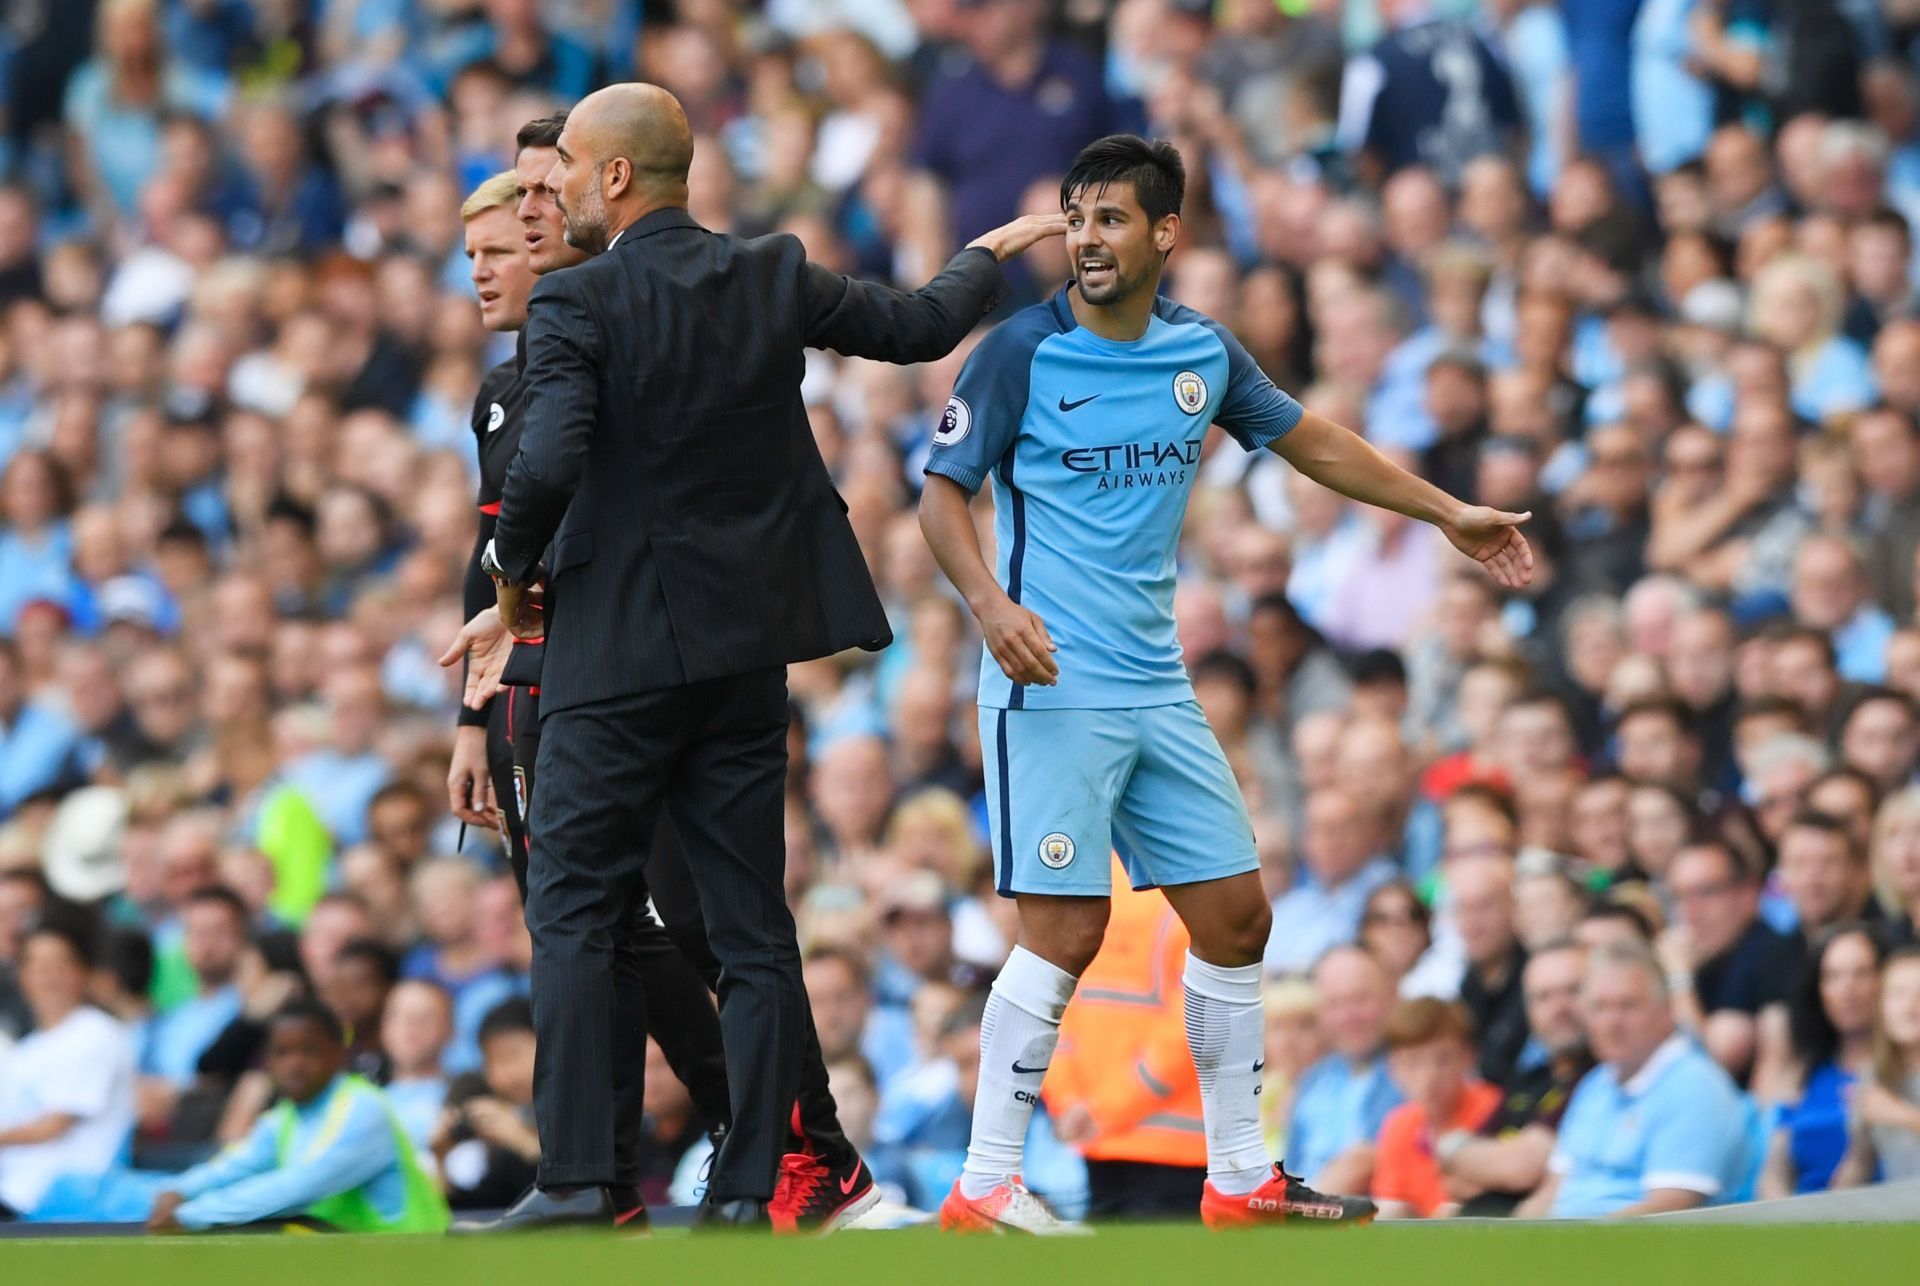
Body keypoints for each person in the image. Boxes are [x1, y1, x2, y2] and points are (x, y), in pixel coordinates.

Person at [456, 83, 1061, 1230]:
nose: (558, 191)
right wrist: (983, 257)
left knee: (577, 907)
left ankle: (581, 1177)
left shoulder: (577, 301)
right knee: (751, 925)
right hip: (743, 661)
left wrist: (509, 579)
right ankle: (749, 1189)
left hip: (613, 657)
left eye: (569, 170)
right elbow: (921, 326)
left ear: (619, 177)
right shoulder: (770, 272)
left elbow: (544, 467)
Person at [921, 134, 1530, 1232]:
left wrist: (1449, 512)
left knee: (1240, 915)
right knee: (1064, 929)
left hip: (1157, 680)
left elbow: (1315, 444)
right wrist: (990, 607)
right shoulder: (1018, 350)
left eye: (1112, 218)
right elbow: (940, 495)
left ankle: (1241, 1176)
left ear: (1166, 234)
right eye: (1077, 216)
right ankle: (985, 1183)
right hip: (1051, 677)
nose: (1089, 238)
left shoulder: (1199, 351)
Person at [146, 1000, 448, 1234]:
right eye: (282, 1052)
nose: (294, 1065)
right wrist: (179, 1190)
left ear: (338, 1054)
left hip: (422, 1266)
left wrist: (191, 1214)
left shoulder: (363, 1109)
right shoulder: (285, 1117)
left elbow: (297, 1187)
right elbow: (233, 1166)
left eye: (308, 1051)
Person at [1523, 940, 1757, 1217]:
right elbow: (1551, 1192)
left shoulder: (1695, 1088)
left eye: (1627, 1005)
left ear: (1667, 1011)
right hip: (1566, 1247)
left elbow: (1665, 1212)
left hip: (1637, 1254)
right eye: (1599, 1007)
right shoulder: (1595, 1084)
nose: (1611, 1022)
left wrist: (1558, 1248)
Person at [1044, 856, 1205, 1220]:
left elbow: (1050, 1006)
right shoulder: (1199, 877)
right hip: (1172, 1144)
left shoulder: (1079, 877)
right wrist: (1099, 1107)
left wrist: (1072, 1103)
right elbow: (1194, 1022)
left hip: (1100, 1136)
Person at [1435, 940, 1594, 1216]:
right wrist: (1485, 1162)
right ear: (1528, 1009)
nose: (1559, 1007)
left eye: (1572, 990)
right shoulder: (1528, 1078)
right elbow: (1454, 1181)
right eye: (1543, 996)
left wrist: (1454, 1148)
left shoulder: (1600, 1077)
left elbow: (1522, 1169)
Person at [0, 922, 136, 1220]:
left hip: (60, 1197)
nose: (51, 977)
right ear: (23, 977)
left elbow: (54, 1125)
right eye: (40, 967)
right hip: (14, 1192)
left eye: (61, 965)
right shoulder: (24, 1051)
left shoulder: (98, 1032)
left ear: (82, 973)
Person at [1660, 841, 1803, 1082]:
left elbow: (1713, 1063)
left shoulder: (1768, 952)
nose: (1690, 911)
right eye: (1679, 896)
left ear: (1748, 894)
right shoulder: (1703, 957)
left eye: (1705, 892)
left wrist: (1678, 978)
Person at [1760, 925, 1885, 1197]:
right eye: (1833, 976)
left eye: (1861, 973)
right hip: (1799, 1225)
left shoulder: (1899, 1072)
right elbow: (1773, 1175)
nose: (1847, 989)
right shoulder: (1804, 1071)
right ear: (1819, 989)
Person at [1371, 998, 1502, 1219]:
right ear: (1393, 1068)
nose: (1428, 1077)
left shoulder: (1494, 1109)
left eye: (1442, 1060)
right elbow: (1389, 1206)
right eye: (1413, 1062)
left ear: (1469, 1057)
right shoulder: (1399, 1124)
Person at [1834, 947, 1920, 1186]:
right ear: (1880, 1006)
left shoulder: (1886, 1102)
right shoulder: (1872, 1075)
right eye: (1898, 994)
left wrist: (1900, 1113)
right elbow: (1859, 1162)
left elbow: (1891, 1112)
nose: (1910, 1008)